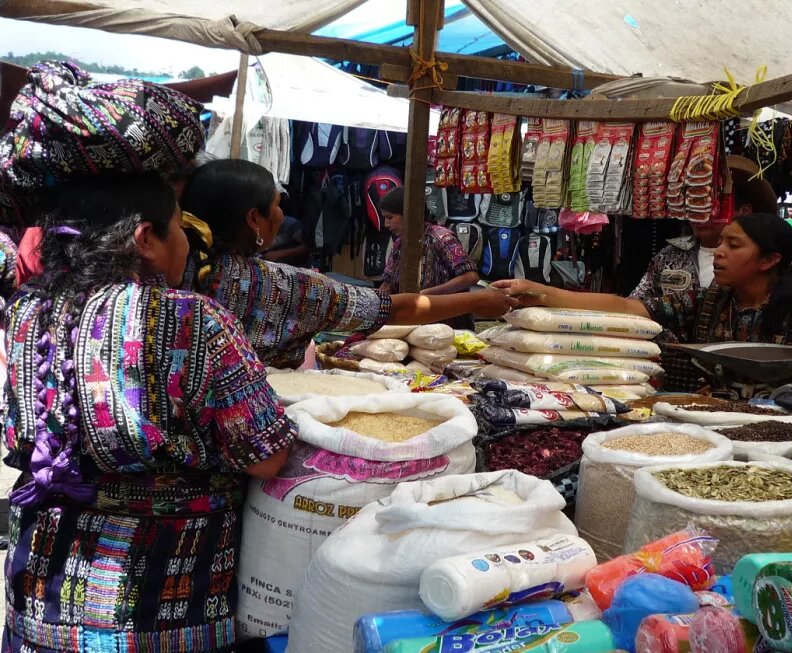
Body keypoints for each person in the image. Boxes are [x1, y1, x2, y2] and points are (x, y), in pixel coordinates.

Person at [0, 63, 292, 652]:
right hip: (163, 607)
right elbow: (267, 456)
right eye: (180, 227)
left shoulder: (27, 315)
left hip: (40, 603)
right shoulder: (192, 319)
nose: (189, 240)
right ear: (146, 239)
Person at [495, 213, 792, 401]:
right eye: (720, 245)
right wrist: (542, 293)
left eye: (734, 246)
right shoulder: (715, 296)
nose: (719, 255)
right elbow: (629, 308)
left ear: (769, 260)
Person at [180, 160, 513, 368]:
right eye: (277, 204)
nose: (282, 214)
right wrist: (480, 299)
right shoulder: (283, 285)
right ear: (255, 219)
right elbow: (391, 306)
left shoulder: (167, 271)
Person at [631, 155, 779, 299]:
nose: (699, 211)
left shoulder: (765, 259)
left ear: (743, 211)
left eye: (712, 204)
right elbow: (637, 304)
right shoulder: (670, 255)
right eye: (694, 200)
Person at [378, 187, 481, 329]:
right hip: (412, 323)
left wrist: (425, 295)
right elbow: (387, 284)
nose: (386, 224)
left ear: (409, 214)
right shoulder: (399, 243)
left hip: (447, 325)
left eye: (390, 217)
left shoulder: (441, 237)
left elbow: (470, 277)